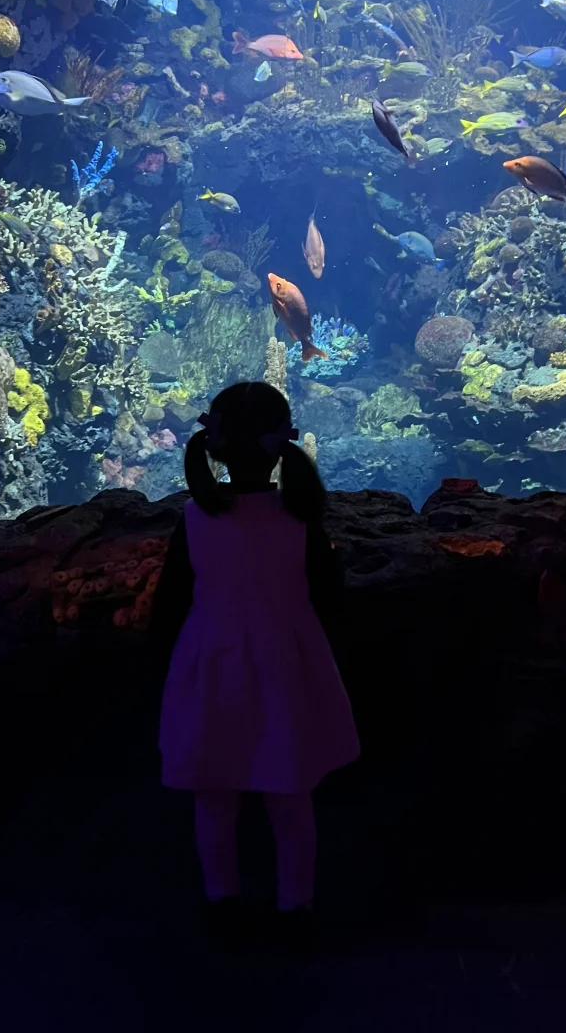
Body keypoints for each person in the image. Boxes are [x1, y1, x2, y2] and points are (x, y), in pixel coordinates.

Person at [150, 381, 360, 944]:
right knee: (291, 792)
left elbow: (170, 603)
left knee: (212, 792)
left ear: (214, 445)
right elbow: (329, 595)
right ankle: (297, 907)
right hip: (286, 665)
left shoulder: (195, 518)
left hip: (211, 664)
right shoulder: (299, 519)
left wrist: (162, 670)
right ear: (281, 444)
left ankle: (222, 902)